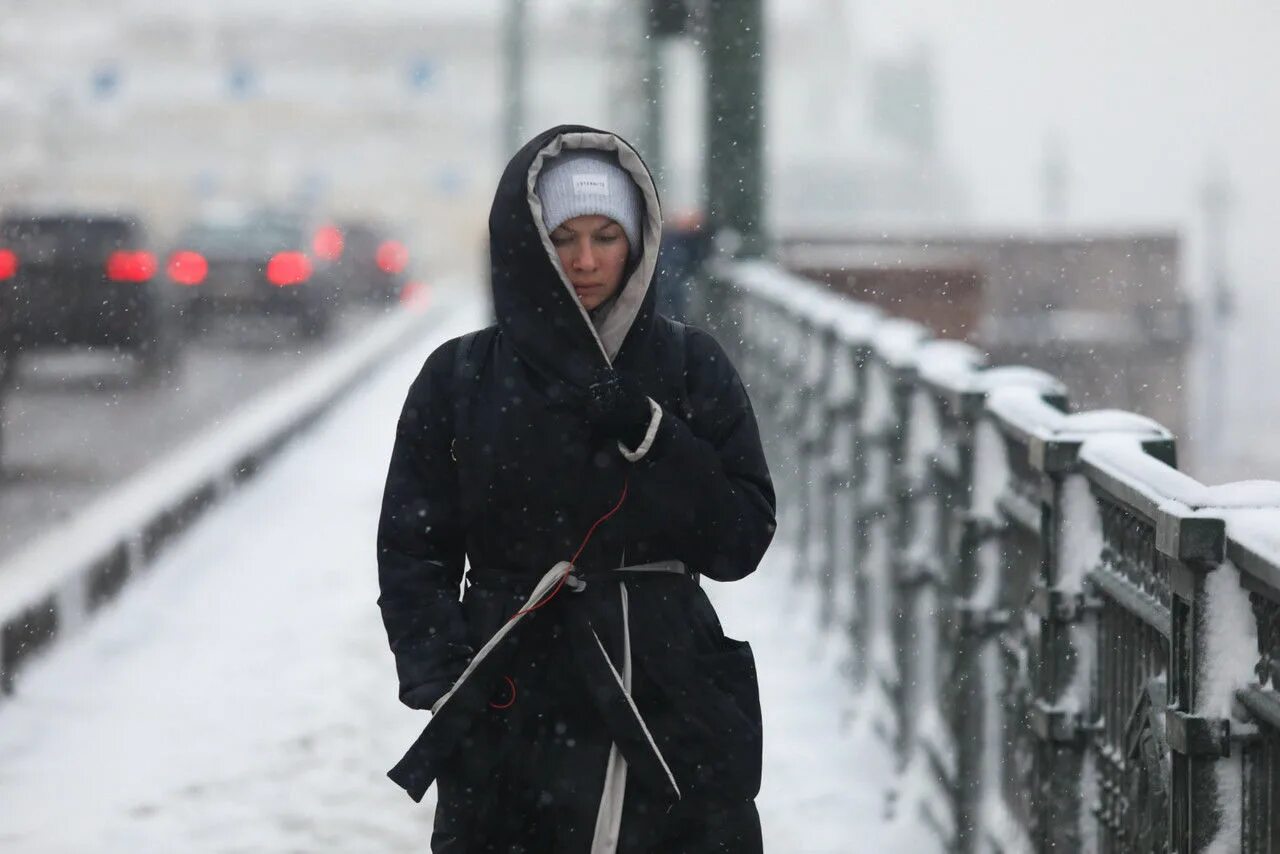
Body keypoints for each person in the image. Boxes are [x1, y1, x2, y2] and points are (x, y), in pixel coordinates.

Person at [376, 124, 776, 853]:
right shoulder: (459, 377)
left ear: (639, 241)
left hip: (669, 701)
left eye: (605, 236)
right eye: (562, 237)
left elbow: (741, 539)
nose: (586, 260)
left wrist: (652, 435)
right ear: (528, 243)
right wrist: (444, 681)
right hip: (513, 705)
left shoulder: (691, 367)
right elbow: (413, 551)